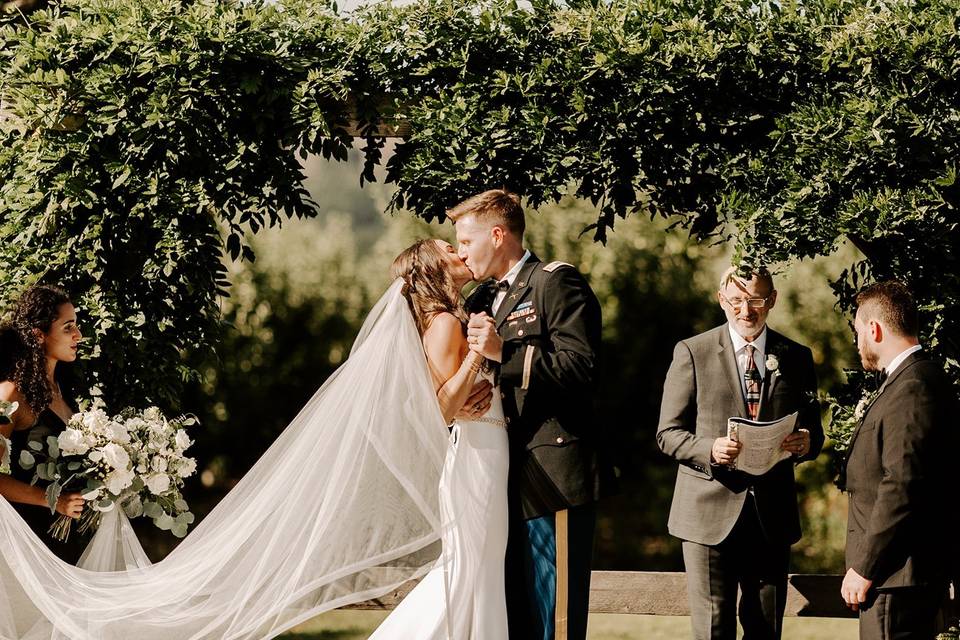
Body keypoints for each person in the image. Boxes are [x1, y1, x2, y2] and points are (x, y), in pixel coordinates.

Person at [450, 188, 611, 640]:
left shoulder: (555, 282)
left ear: (498, 235)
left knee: (552, 618)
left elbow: (582, 368)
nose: (462, 253)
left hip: (553, 473)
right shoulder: (480, 298)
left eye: (466, 241)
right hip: (496, 476)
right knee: (511, 613)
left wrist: (507, 353)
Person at [657, 266, 823, 640]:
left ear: (772, 300)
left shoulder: (796, 357)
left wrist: (806, 443)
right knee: (713, 629)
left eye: (756, 301)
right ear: (721, 300)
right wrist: (710, 448)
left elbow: (815, 431)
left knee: (766, 630)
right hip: (706, 515)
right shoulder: (692, 352)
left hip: (771, 516)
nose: (745, 311)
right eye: (736, 301)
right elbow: (667, 434)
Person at [368, 238, 509, 639]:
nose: (461, 253)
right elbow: (441, 409)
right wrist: (478, 354)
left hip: (484, 449)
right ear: (433, 267)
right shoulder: (445, 322)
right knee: (469, 567)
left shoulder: (445, 317)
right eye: (450, 249)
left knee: (476, 566)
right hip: (478, 455)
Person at [841, 281, 960, 639]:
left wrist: (865, 567)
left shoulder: (912, 386)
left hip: (895, 578)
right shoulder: (918, 378)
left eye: (859, 331)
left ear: (874, 329)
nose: (858, 342)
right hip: (898, 576)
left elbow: (903, 483)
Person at [0, 284, 87, 564]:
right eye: (67, 327)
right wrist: (53, 500)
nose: (78, 335)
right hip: (31, 544)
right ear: (39, 335)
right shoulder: (11, 395)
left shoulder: (64, 391)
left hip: (72, 537)